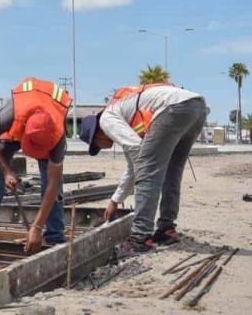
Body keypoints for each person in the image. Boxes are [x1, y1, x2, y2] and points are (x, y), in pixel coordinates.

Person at [79, 83, 206, 257]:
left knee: (148, 173)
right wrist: (116, 200)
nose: (103, 147)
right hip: (196, 107)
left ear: (96, 135)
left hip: (173, 108)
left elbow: (138, 158)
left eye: (97, 146)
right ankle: (166, 229)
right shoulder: (122, 115)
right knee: (172, 173)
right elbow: (134, 163)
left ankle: (140, 237)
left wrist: (118, 197)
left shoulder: (106, 119)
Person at [0, 77, 70, 254]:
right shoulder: (10, 116)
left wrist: (37, 228)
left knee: (52, 182)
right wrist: (7, 171)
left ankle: (54, 234)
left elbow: (53, 185)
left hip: (45, 124)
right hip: (17, 124)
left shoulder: (57, 138)